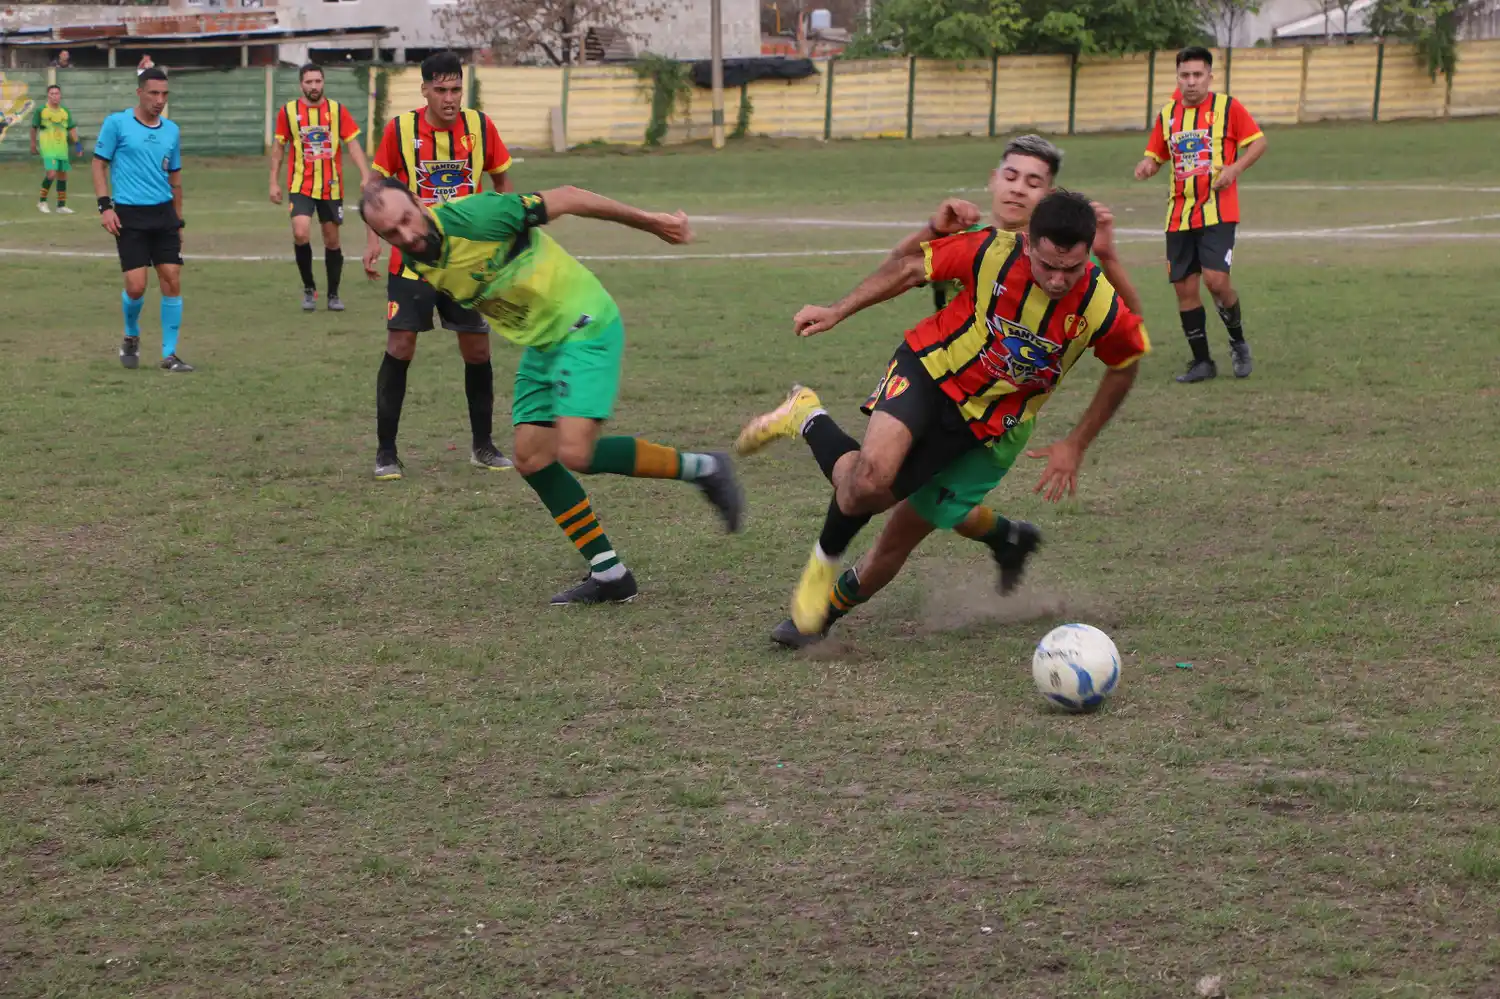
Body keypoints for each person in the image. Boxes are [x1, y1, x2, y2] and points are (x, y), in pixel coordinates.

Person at [739, 138, 1149, 647]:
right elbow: (909, 267)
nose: (1059, 279)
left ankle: (821, 605)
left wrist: (1076, 444)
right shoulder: (988, 249)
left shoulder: (1098, 302)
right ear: (1028, 244)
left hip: (986, 424)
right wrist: (838, 309)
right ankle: (818, 571)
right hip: (930, 369)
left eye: (1072, 268)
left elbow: (1128, 361)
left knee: (894, 522)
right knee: (869, 483)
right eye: (1047, 266)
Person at [360, 181, 745, 605]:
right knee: (531, 458)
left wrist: (651, 222)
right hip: (544, 344)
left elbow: (568, 197)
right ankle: (610, 573)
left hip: (583, 324)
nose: (407, 235)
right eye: (392, 232)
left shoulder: (477, 217)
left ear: (420, 203)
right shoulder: (417, 257)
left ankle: (704, 468)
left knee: (575, 453)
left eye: (407, 219)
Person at [363, 50, 515, 481]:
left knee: (478, 348)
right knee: (401, 347)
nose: (450, 99)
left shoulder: (480, 128)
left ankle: (483, 447)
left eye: (456, 90)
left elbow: (503, 183)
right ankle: (386, 453)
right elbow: (375, 188)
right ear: (425, 89)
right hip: (413, 261)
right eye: (441, 90)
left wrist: (504, 234)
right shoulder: (400, 130)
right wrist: (373, 238)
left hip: (466, 260)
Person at [1135, 46, 1266, 384]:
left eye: (1197, 75)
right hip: (1179, 213)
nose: (1191, 82)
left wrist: (1234, 169)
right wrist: (1149, 165)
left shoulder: (1228, 107)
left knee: (1216, 281)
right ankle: (1202, 362)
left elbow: (1258, 143)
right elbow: (1156, 154)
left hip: (1219, 210)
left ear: (1210, 75)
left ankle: (1237, 342)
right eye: (1184, 76)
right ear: (1177, 77)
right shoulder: (1168, 114)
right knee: (1184, 288)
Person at [92, 68, 192, 372]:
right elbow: (98, 166)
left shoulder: (171, 130)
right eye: (153, 93)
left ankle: (170, 355)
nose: (159, 100)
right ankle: (131, 334)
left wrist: (178, 219)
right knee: (136, 287)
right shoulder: (117, 124)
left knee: (172, 278)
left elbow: (175, 178)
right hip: (130, 214)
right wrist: (105, 207)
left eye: (164, 94)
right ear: (140, 92)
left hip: (163, 213)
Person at [270, 62, 371, 312]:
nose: (313, 86)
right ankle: (309, 288)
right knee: (301, 232)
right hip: (300, 185)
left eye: (317, 81)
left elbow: (353, 144)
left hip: (331, 187)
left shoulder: (337, 111)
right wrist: (273, 181)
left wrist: (366, 174)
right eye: (308, 82)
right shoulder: (289, 112)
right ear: (301, 84)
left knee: (332, 240)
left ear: (323, 82)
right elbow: (279, 148)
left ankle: (333, 294)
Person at [31, 84, 81, 215]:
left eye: (57, 93)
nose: (54, 96)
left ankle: (61, 206)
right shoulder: (41, 110)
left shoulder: (65, 111)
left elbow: (72, 128)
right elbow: (33, 127)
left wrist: (78, 145)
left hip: (61, 148)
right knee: (52, 173)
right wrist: (32, 144)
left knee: (63, 175)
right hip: (48, 148)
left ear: (60, 95)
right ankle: (42, 202)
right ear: (48, 95)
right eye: (52, 93)